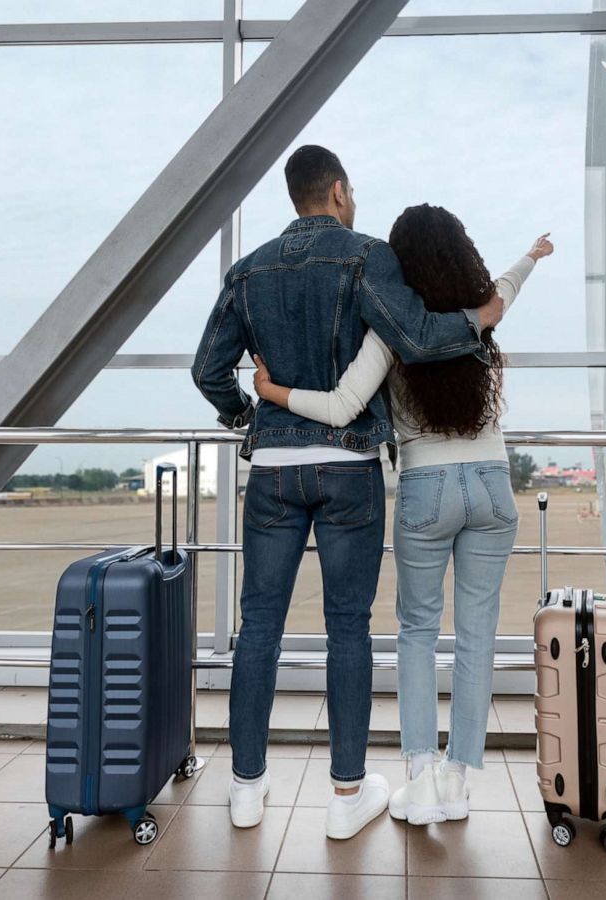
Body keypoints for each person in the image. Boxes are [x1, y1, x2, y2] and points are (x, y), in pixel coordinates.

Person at [191, 146, 504, 840]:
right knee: (348, 628)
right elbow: (416, 338)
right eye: (351, 189)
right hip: (348, 465)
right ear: (336, 191)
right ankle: (345, 795)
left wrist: (246, 414)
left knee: (259, 627)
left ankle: (246, 789)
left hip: (272, 467)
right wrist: (483, 315)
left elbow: (207, 369)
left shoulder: (247, 271)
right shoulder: (367, 257)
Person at [252, 204, 552, 826]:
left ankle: (419, 778)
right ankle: (459, 782)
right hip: (494, 488)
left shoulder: (391, 331)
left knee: (417, 632)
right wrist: (531, 255)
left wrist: (273, 393)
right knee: (476, 638)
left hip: (426, 488)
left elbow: (341, 406)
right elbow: (506, 289)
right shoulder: (480, 319)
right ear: (460, 253)